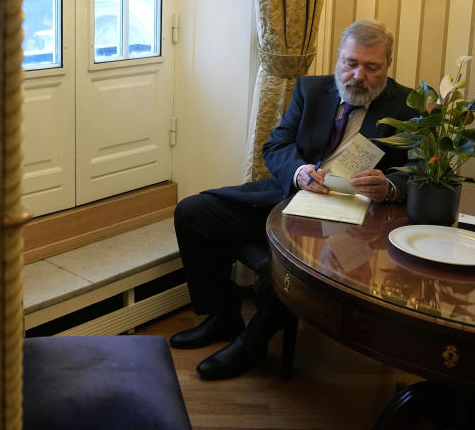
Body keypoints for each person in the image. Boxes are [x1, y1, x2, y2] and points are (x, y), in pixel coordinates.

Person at [171, 19, 417, 380]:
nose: (358, 75)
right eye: (350, 63)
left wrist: (391, 186)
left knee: (289, 266)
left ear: (387, 66)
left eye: (371, 67)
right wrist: (299, 171)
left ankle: (252, 344)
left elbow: (421, 171)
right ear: (338, 59)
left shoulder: (408, 107)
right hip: (289, 198)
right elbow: (276, 144)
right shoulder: (311, 90)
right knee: (193, 212)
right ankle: (222, 315)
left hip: (350, 222)